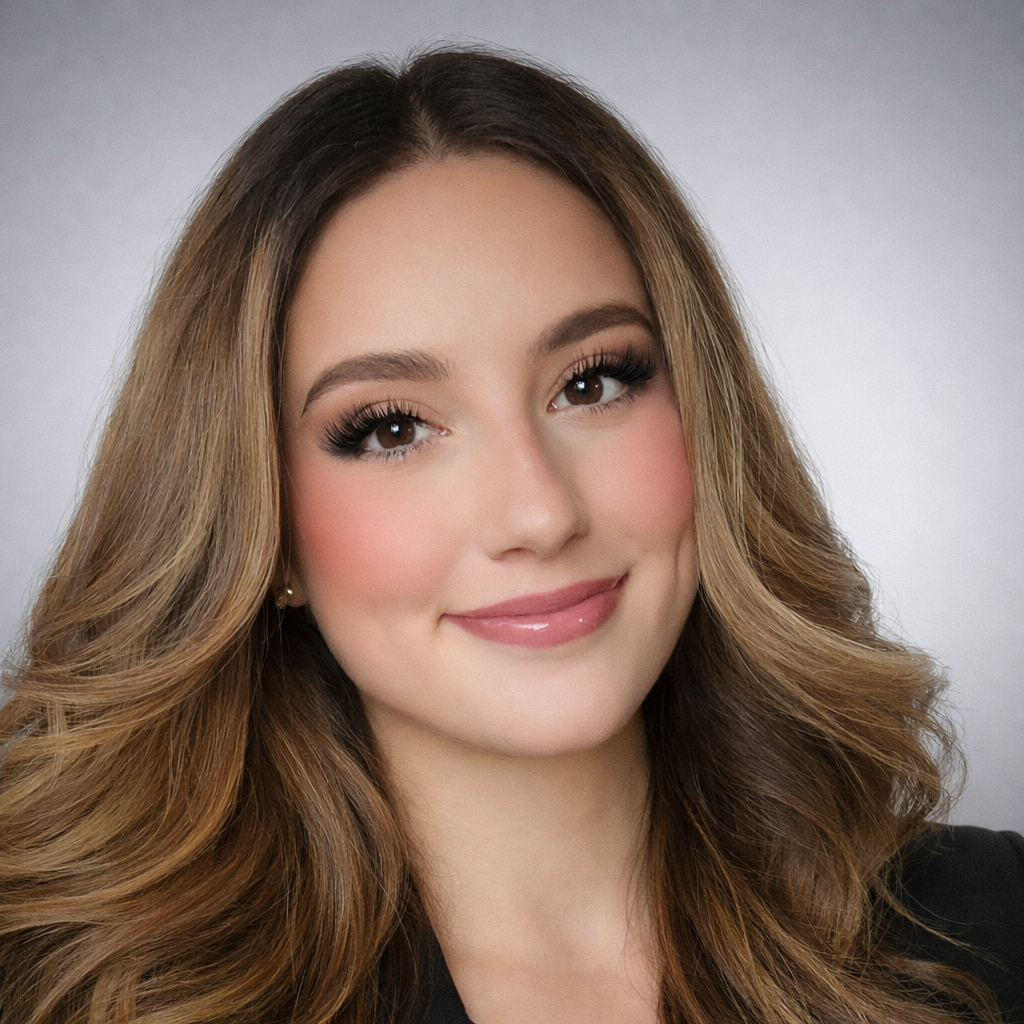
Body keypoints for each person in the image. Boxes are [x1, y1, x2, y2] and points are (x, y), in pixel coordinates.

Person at [0, 46, 1020, 1024]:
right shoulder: (72, 997)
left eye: (593, 382)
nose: (541, 512)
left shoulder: (995, 928)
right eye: (393, 429)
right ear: (258, 526)